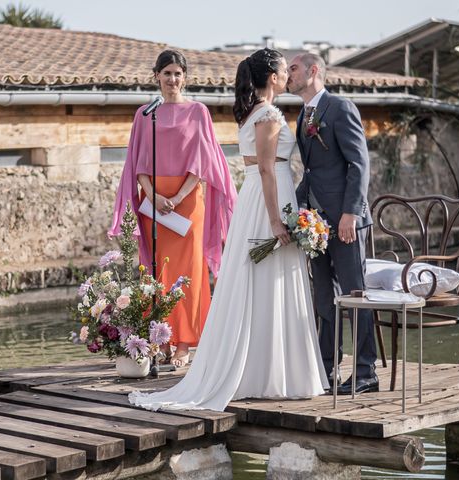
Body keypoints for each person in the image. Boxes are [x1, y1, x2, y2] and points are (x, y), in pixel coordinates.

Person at [129, 48, 328, 412]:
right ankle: (269, 373)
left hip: (258, 198)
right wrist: (275, 220)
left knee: (261, 282)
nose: (288, 76)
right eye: (285, 71)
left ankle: (265, 370)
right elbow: (268, 169)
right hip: (268, 201)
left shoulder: (252, 112)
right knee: (270, 280)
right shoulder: (267, 114)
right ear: (272, 77)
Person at [109, 50, 237, 367]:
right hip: (153, 204)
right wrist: (153, 197)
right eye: (166, 73)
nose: (172, 79)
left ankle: (184, 343)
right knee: (157, 273)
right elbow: (137, 164)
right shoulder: (144, 114)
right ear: (156, 77)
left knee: (189, 273)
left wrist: (178, 198)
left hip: (188, 202)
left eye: (178, 73)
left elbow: (202, 162)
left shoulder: (198, 112)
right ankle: (159, 340)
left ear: (185, 77)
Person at [287, 53, 378, 394]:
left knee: (356, 297)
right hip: (316, 226)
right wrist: (294, 210)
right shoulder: (302, 116)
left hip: (346, 222)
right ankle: (326, 370)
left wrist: (351, 214)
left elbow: (359, 163)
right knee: (324, 297)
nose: (288, 75)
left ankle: (366, 372)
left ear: (313, 71)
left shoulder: (340, 108)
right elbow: (311, 173)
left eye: (293, 69)